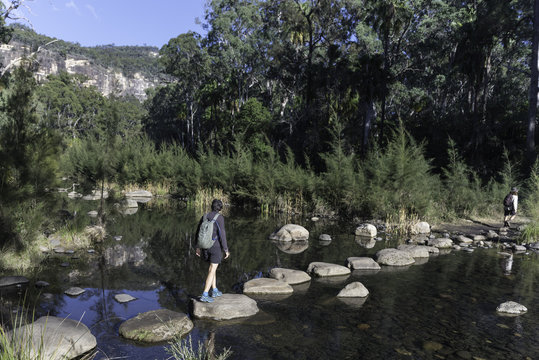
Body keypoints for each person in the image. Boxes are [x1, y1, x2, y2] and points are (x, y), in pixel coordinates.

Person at [196, 199, 230, 303]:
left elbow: (197, 231)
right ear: (220, 208)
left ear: (212, 206)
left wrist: (197, 247)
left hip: (205, 247)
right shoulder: (220, 218)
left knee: (212, 268)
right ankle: (205, 294)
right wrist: (226, 249)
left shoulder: (205, 216)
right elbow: (222, 234)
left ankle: (214, 290)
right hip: (215, 247)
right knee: (212, 270)